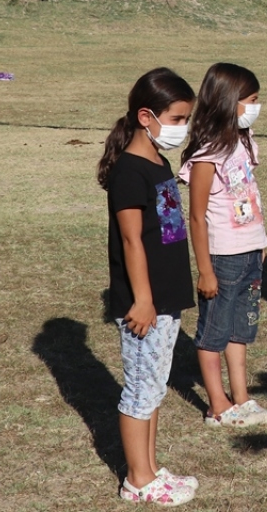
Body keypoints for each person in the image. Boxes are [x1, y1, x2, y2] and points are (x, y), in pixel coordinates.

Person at [97, 68, 200, 506]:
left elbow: (168, 232)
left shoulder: (159, 162)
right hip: (145, 303)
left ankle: (151, 468)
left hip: (166, 296)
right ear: (146, 116)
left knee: (155, 386)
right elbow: (131, 239)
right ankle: (137, 479)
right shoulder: (129, 173)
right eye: (177, 119)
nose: (183, 128)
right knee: (140, 391)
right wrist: (142, 299)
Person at [179, 63, 267, 427]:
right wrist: (205, 270)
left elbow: (249, 195)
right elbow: (197, 216)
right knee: (213, 333)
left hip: (251, 251)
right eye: (251, 100)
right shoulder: (207, 154)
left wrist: (260, 240)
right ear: (228, 102)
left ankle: (241, 397)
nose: (256, 106)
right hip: (223, 256)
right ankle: (217, 405)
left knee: (240, 329)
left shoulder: (245, 140)